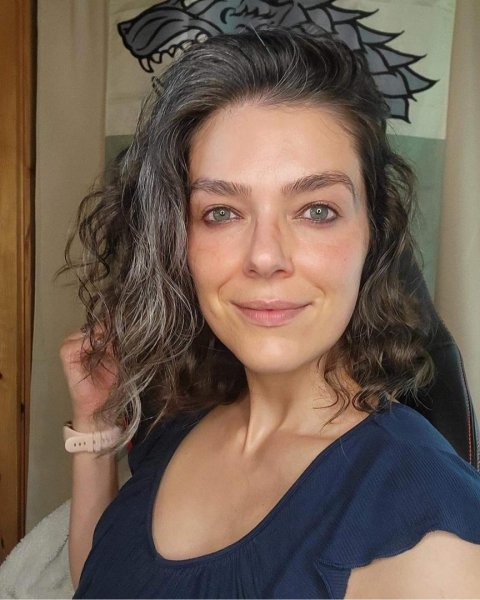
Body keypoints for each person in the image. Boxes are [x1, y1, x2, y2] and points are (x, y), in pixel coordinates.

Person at [57, 24, 480, 599]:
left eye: (316, 210)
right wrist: (96, 424)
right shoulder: (178, 424)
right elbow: (102, 579)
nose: (264, 257)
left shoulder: (428, 537)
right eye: (221, 212)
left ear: (373, 234)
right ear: (178, 241)